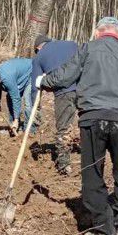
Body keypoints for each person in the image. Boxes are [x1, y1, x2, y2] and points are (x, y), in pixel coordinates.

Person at [36, 17, 118, 235]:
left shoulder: (87, 49)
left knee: (93, 172)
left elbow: (66, 74)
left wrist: (43, 81)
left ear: (97, 32)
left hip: (92, 119)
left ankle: (103, 229)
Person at [31, 33, 79, 176]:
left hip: (64, 92)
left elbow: (35, 85)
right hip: (87, 88)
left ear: (38, 48)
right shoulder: (72, 44)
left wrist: (36, 108)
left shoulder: (38, 57)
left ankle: (64, 165)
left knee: (63, 128)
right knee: (89, 122)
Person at [0, 58, 33, 135]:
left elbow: (16, 98)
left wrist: (16, 119)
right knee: (9, 98)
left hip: (31, 73)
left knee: (28, 103)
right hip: (19, 76)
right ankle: (13, 128)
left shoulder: (6, 77)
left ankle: (30, 130)